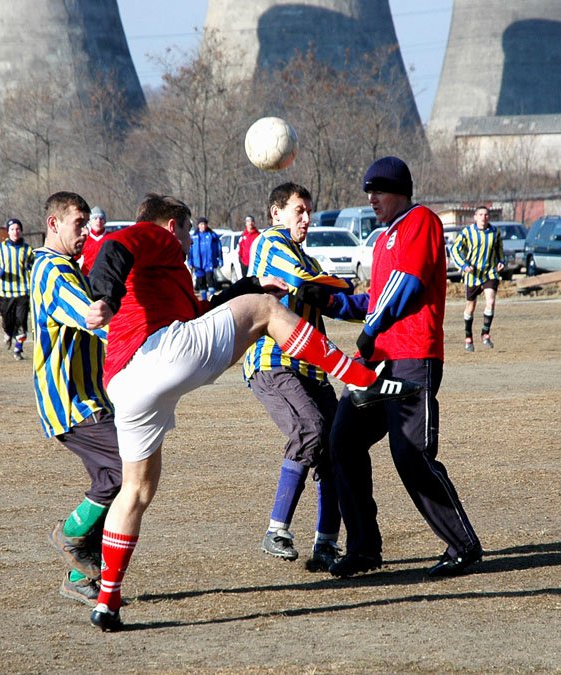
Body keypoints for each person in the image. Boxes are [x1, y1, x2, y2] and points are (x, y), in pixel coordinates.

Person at [84, 192, 422, 631]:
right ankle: (360, 379)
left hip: (126, 385)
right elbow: (114, 248)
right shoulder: (156, 235)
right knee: (266, 313)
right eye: (186, 233)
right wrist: (104, 296)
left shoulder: (169, 278)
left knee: (136, 492)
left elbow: (206, 314)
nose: (188, 244)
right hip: (155, 357)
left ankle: (107, 601)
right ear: (173, 227)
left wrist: (251, 287)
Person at [325, 156, 482, 579]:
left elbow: (407, 286)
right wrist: (329, 301)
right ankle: (363, 549)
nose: (371, 198)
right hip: (375, 363)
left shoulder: (421, 222)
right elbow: (374, 301)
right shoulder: (383, 239)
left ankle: (463, 546)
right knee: (342, 441)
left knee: (411, 454)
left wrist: (372, 327)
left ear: (400, 191)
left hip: (412, 359)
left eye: (378, 190)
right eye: (368, 191)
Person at [245, 183, 355, 571]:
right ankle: (276, 529)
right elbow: (309, 286)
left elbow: (333, 297)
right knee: (310, 428)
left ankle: (325, 544)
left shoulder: (305, 258)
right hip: (275, 360)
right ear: (276, 213)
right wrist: (337, 288)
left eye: (309, 211)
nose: (306, 218)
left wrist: (373, 305)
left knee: (336, 447)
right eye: (299, 210)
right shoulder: (269, 243)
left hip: (311, 365)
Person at [30, 191, 123, 607]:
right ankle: (68, 534)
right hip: (71, 402)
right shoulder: (52, 270)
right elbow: (88, 317)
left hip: (91, 397)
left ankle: (77, 576)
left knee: (116, 482)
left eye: (87, 223)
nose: (86, 231)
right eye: (78, 223)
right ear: (54, 224)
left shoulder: (68, 266)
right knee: (125, 469)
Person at [449, 206, 505, 351]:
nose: (483, 217)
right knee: (470, 307)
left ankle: (485, 334)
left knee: (491, 302)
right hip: (472, 274)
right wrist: (464, 265)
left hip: (489, 272)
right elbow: (454, 249)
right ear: (475, 217)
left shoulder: (495, 233)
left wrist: (501, 262)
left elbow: (500, 251)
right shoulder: (467, 232)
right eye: (480, 214)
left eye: (486, 215)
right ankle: (468, 338)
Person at [0, 218, 34, 360]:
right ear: (8, 232)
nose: (15, 232)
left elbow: (35, 265)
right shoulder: (0, 249)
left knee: (21, 320)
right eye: (12, 229)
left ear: (21, 231)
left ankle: (18, 349)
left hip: (23, 291)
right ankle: (8, 333)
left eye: (18, 229)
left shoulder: (28, 250)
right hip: (5, 291)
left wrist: (30, 269)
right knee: (7, 322)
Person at [187, 217, 222, 300]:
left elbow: (219, 248)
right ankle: (204, 299)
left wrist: (220, 259)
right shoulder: (194, 236)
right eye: (201, 224)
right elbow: (190, 250)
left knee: (210, 279)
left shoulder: (212, 236)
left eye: (204, 224)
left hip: (209, 262)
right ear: (198, 225)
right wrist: (190, 261)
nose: (203, 226)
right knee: (201, 281)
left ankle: (213, 298)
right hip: (198, 263)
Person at [79, 206, 108, 275]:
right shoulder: (84, 238)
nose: (98, 221)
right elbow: (73, 257)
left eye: (101, 218)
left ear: (105, 221)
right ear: (89, 222)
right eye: (95, 218)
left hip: (106, 277)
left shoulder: (111, 238)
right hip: (87, 277)